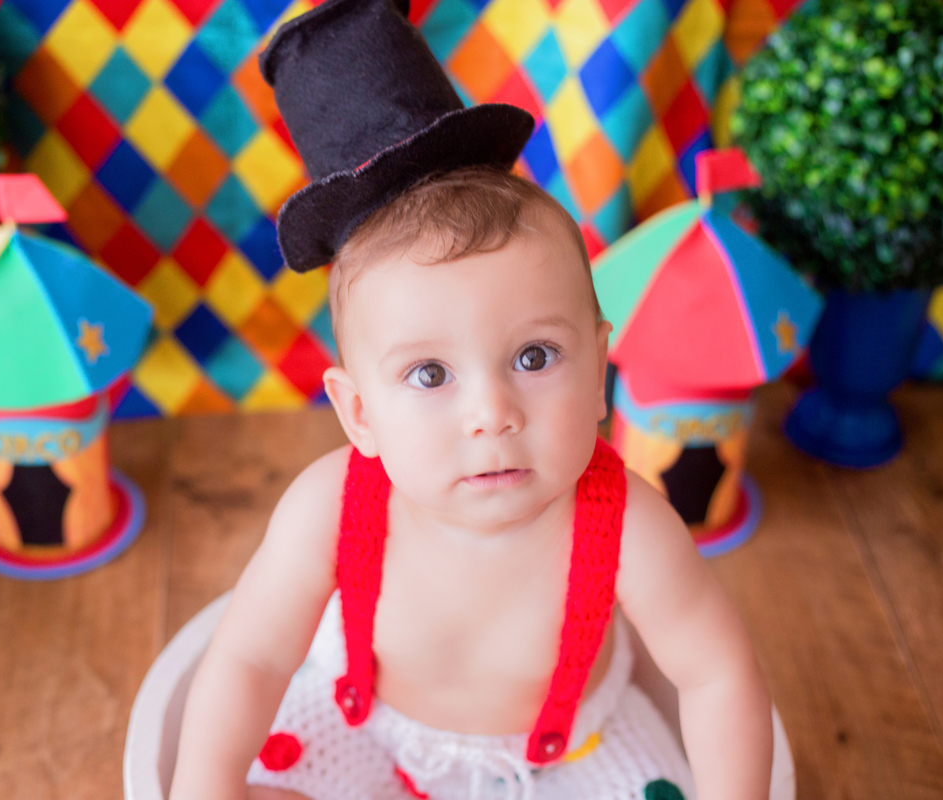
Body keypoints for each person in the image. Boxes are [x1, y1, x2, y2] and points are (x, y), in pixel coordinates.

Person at [169, 1, 773, 798]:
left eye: (534, 356)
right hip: (364, 728)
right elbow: (251, 656)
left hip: (571, 749)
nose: (493, 413)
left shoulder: (625, 521)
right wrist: (205, 789)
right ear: (359, 415)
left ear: (599, 369)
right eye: (429, 374)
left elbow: (719, 674)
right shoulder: (330, 507)